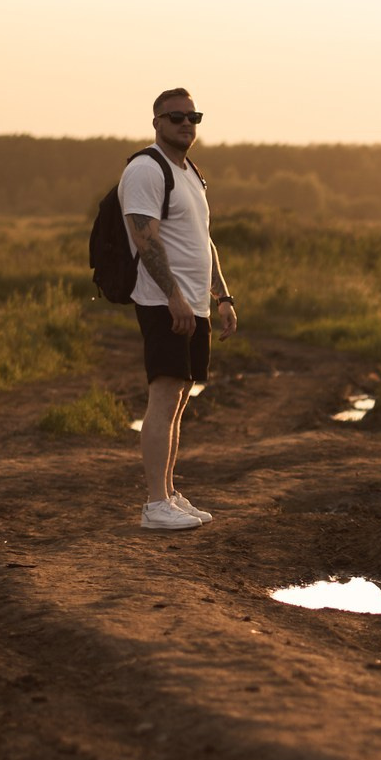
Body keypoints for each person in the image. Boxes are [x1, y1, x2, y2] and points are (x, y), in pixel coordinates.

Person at [121, 87, 237, 530]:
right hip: (163, 302)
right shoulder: (146, 169)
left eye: (193, 117)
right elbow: (144, 237)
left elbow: (203, 240)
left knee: (179, 399)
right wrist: (173, 297)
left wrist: (221, 296)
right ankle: (154, 505)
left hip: (193, 304)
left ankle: (168, 493)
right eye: (176, 117)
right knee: (164, 394)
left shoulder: (189, 172)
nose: (186, 124)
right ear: (156, 122)